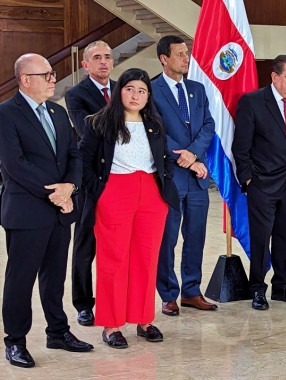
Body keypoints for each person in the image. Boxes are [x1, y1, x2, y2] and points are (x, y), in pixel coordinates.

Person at [0, 53, 93, 368]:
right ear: (25, 79)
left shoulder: (57, 111)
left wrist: (70, 187)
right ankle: (15, 341)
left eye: (53, 74)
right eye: (47, 74)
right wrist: (55, 193)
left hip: (60, 210)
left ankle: (58, 331)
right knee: (20, 280)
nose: (54, 79)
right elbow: (15, 165)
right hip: (26, 212)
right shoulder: (6, 114)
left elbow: (74, 155)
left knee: (54, 278)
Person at [79, 68, 179, 349]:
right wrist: (99, 192)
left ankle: (143, 319)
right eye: (130, 89)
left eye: (142, 91)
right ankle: (111, 324)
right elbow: (83, 160)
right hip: (114, 193)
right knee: (114, 259)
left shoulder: (155, 123)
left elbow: (165, 157)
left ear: (149, 96)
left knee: (146, 259)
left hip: (151, 194)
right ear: (119, 90)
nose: (135, 96)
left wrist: (165, 183)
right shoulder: (99, 122)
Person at [233, 54, 286, 311]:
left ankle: (282, 285)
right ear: (275, 77)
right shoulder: (253, 102)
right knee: (260, 238)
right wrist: (247, 178)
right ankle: (257, 288)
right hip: (262, 184)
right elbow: (241, 146)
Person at [152, 35, 217, 316]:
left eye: (186, 54)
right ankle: (168, 294)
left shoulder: (197, 89)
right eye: (179, 54)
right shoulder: (151, 91)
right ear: (164, 58)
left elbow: (208, 125)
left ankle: (192, 290)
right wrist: (185, 159)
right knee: (167, 238)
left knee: (196, 235)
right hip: (170, 177)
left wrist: (193, 154)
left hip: (197, 179)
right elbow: (154, 132)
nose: (186, 58)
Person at [64, 40, 116, 326]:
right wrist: (123, 119)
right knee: (85, 246)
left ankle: (115, 299)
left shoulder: (123, 88)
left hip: (122, 178)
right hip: (92, 180)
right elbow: (87, 131)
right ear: (85, 64)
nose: (104, 62)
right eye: (97, 58)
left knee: (118, 247)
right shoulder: (76, 94)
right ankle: (84, 304)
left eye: (108, 56)